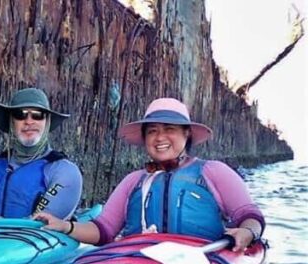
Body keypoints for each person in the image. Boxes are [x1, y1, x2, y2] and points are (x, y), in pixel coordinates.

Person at [34, 97, 264, 253]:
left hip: (202, 260)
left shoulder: (213, 172)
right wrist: (66, 227)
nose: (160, 137)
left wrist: (248, 231)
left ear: (187, 134)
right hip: (139, 261)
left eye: (169, 129)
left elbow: (249, 215)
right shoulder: (134, 180)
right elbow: (103, 230)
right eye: (152, 131)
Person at [0, 88, 83, 224]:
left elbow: (43, 222)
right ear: (11, 122)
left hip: (30, 243)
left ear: (47, 122)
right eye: (20, 114)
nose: (29, 121)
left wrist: (1, 225)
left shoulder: (64, 171)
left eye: (37, 115)